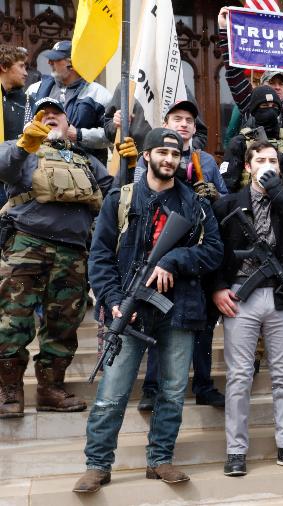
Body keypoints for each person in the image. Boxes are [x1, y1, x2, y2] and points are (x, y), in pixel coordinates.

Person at [74, 127, 223, 493]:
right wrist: (112, 300)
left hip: (180, 310)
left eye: (176, 155)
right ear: (147, 156)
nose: (170, 160)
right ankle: (97, 464)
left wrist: (175, 259)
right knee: (112, 392)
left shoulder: (194, 204)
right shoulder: (120, 199)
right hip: (130, 308)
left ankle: (160, 459)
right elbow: (100, 257)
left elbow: (215, 252)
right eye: (163, 153)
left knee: (172, 391)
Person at [0, 98, 113, 418]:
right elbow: (2, 167)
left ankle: (50, 388)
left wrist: (133, 167)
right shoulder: (20, 149)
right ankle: (9, 389)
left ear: (68, 125)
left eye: (57, 114)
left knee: (64, 324)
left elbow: (114, 196)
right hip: (26, 245)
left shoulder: (85, 160)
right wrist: (24, 145)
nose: (50, 117)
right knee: (12, 322)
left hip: (73, 252)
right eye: (43, 113)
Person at [212, 140, 283, 476]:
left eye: (273, 160)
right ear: (247, 166)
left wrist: (279, 193)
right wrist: (217, 289)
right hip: (240, 299)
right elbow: (213, 250)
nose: (267, 164)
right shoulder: (229, 203)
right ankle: (235, 450)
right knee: (240, 376)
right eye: (260, 160)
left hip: (280, 298)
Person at [124, 99, 228, 411]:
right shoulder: (153, 154)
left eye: (189, 121)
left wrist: (212, 195)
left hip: (196, 252)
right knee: (160, 323)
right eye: (177, 118)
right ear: (166, 125)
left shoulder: (205, 160)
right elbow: (140, 191)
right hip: (159, 255)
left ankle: (203, 383)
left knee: (203, 325)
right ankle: (152, 387)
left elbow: (223, 199)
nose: (184, 124)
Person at [216, 7, 283, 133]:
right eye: (271, 83)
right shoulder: (250, 103)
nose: (277, 87)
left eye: (280, 83)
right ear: (261, 85)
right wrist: (225, 30)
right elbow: (234, 73)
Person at [25, 40, 112, 164]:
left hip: (86, 171)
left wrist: (79, 135)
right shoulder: (34, 90)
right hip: (42, 167)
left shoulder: (99, 94)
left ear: (71, 63)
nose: (49, 62)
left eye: (55, 59)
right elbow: (24, 128)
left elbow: (111, 136)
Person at [222, 86, 283, 198]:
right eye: (264, 106)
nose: (270, 110)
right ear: (255, 110)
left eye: (274, 106)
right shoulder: (240, 143)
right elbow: (227, 188)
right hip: (252, 209)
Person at [0, 44, 29, 209]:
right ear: (4, 66)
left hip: (13, 179)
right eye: (21, 66)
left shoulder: (27, 102)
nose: (26, 73)